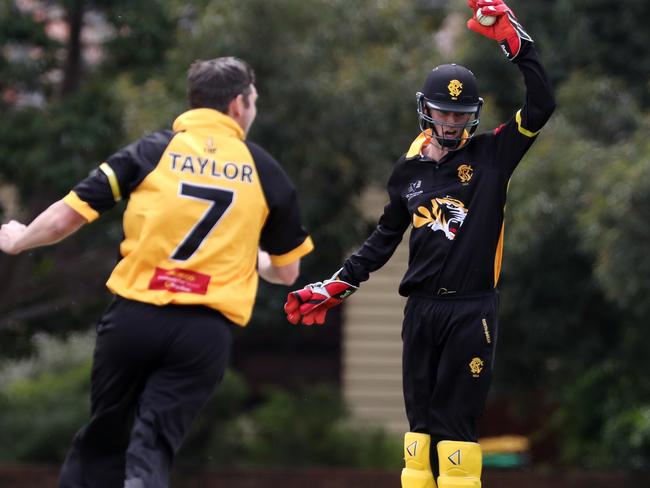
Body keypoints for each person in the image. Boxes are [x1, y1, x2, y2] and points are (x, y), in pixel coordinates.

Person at [0, 56, 314, 488]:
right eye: (254, 98)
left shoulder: (151, 150)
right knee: (152, 445)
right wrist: (253, 259)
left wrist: (18, 239)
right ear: (239, 105)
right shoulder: (265, 171)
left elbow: (66, 217)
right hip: (204, 332)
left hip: (134, 319)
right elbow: (288, 271)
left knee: (103, 439)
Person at [284, 1, 555, 487]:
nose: (451, 124)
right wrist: (338, 284)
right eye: (442, 113)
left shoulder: (494, 155)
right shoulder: (408, 171)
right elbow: (384, 237)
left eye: (461, 114)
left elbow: (541, 106)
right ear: (425, 111)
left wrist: (514, 42)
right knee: (419, 436)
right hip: (421, 310)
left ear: (473, 116)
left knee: (455, 430)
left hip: (472, 312)